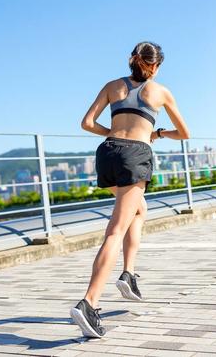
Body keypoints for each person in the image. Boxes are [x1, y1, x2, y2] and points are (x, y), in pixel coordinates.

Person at [69, 41, 190, 338]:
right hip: (135, 155)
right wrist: (157, 133)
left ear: (132, 60)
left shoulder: (112, 85)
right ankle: (89, 303)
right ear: (156, 65)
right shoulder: (160, 92)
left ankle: (128, 273)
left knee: (139, 209)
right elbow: (184, 133)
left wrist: (112, 133)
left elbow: (87, 123)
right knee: (115, 230)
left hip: (107, 153)